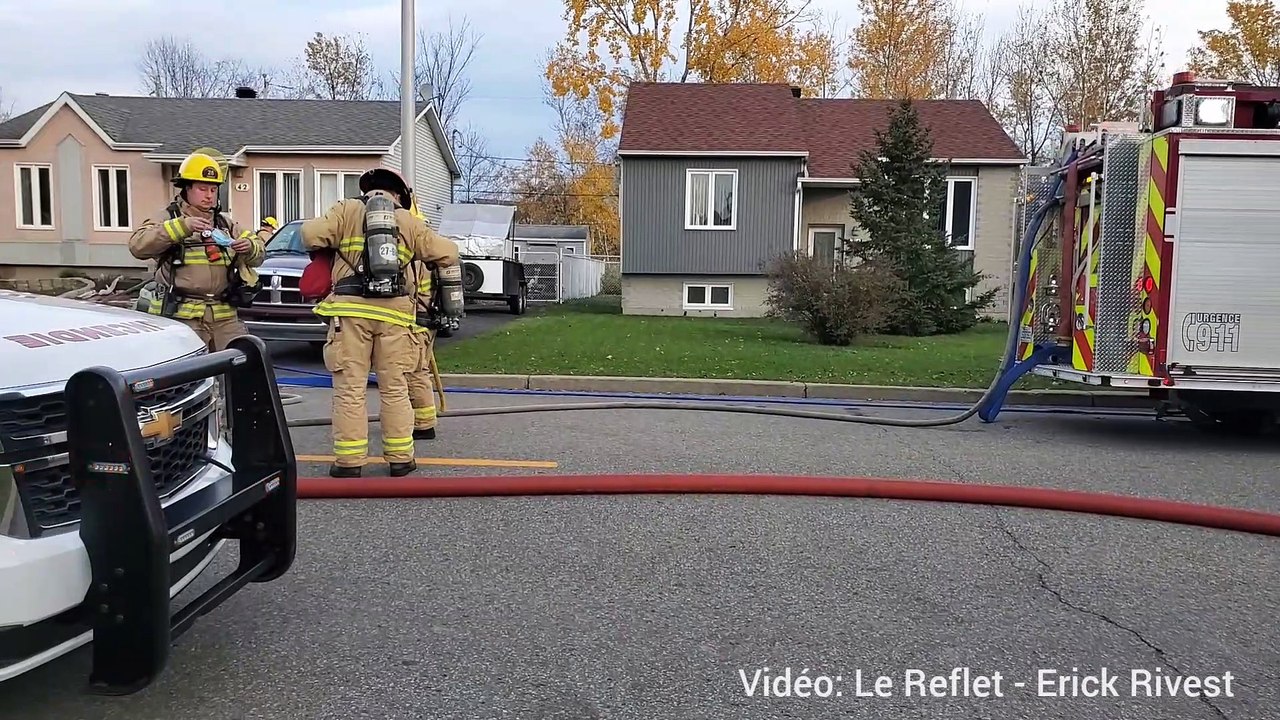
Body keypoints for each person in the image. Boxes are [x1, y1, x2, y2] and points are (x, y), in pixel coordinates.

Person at [300, 168, 459, 478]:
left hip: (351, 316)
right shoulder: (408, 221)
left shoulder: (346, 209)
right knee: (396, 389)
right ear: (398, 195)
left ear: (368, 190)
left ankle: (349, 462)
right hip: (396, 318)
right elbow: (448, 253)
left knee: (350, 390)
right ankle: (401, 459)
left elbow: (309, 234)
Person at [128, 151, 265, 351]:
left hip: (224, 318)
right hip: (183, 317)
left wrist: (250, 247)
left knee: (237, 368)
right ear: (186, 189)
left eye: (213, 189)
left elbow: (260, 253)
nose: (209, 195)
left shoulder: (224, 222)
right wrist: (182, 227)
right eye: (202, 189)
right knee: (191, 376)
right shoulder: (168, 218)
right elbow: (137, 246)